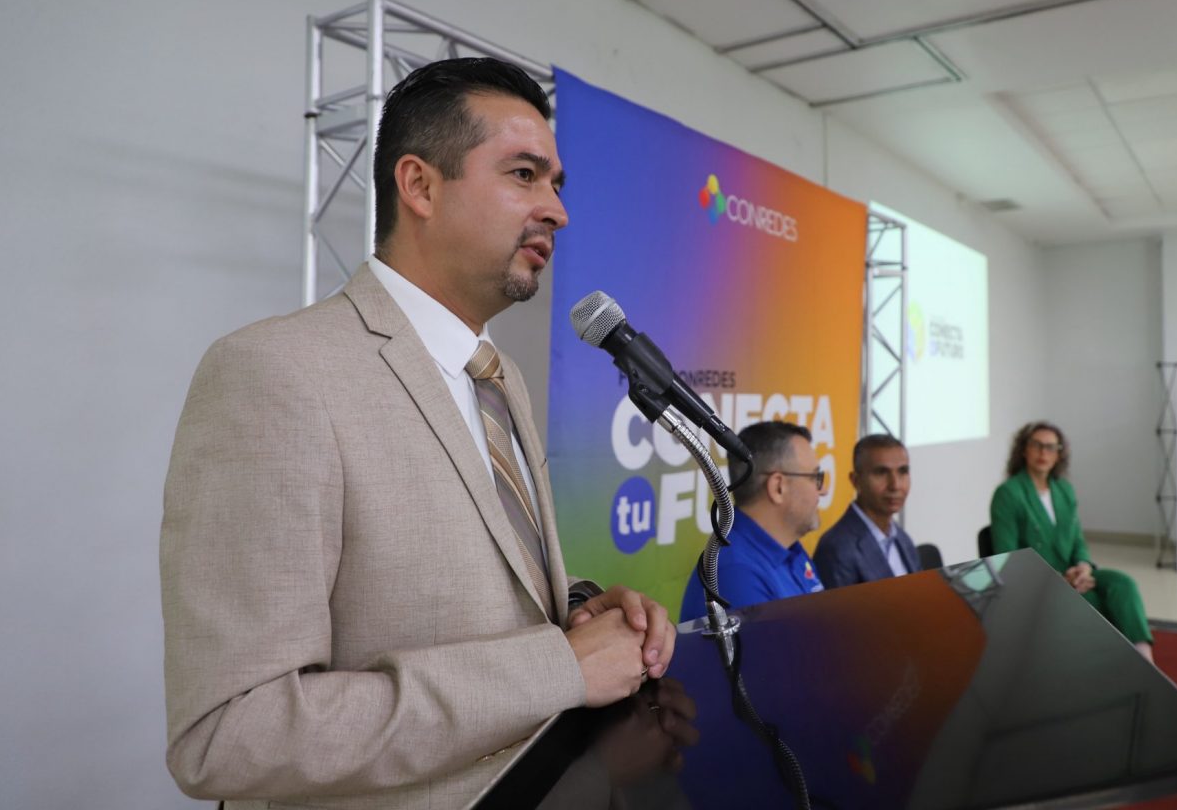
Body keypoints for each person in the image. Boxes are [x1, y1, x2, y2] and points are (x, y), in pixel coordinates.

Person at [160, 58, 681, 808]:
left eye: (557, 184)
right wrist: (561, 667)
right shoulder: (275, 372)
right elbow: (230, 735)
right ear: (420, 186)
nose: (558, 211)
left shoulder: (500, 377)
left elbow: (457, 592)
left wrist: (579, 612)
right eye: (525, 175)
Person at [989, 421, 1154, 663]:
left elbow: (1077, 540)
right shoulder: (1008, 493)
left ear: (1059, 454)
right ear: (1024, 450)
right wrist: (1059, 580)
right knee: (1093, 600)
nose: (1043, 453)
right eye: (1036, 445)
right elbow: (1009, 559)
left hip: (1074, 574)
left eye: (1050, 447)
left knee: (1123, 585)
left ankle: (1145, 658)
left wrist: (1083, 567)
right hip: (1040, 585)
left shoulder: (1064, 489)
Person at [678, 420, 826, 622]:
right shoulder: (736, 574)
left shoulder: (789, 548)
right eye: (815, 477)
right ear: (778, 487)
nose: (823, 490)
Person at [814, 434, 920, 588]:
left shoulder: (903, 539)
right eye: (881, 472)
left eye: (902, 472)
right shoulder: (836, 549)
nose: (895, 485)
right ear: (856, 481)